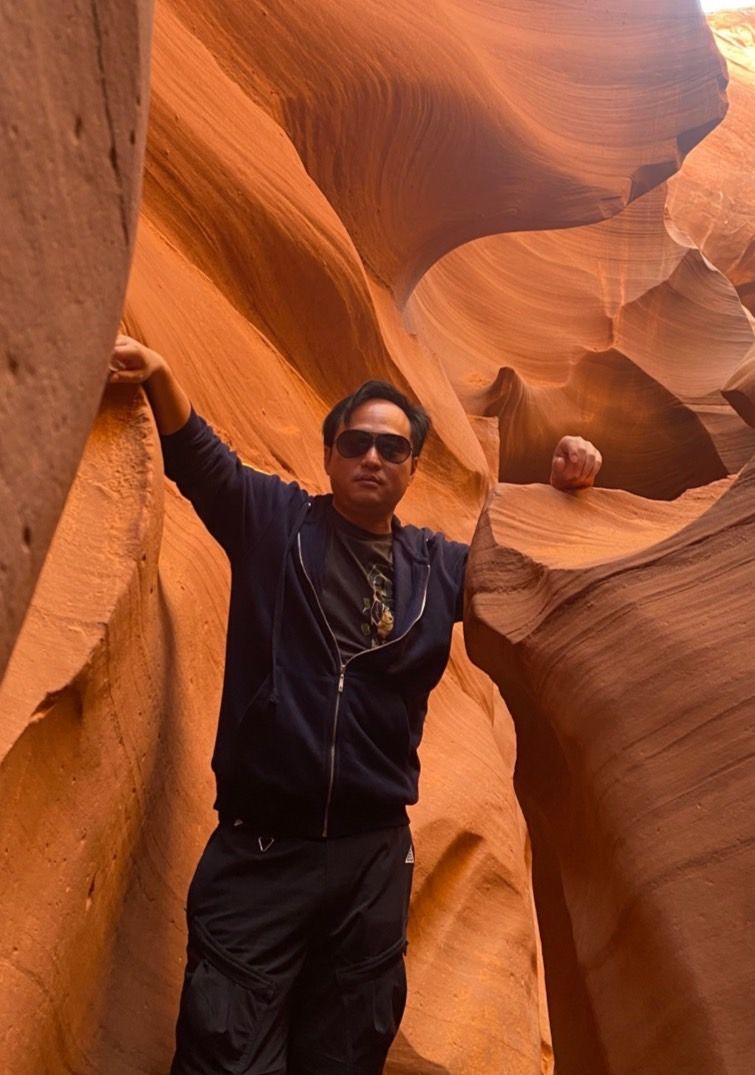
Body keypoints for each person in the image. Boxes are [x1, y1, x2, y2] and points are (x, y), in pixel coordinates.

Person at [109, 334, 602, 1075]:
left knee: (344, 1054)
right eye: (356, 442)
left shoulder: (440, 568)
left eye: (391, 447)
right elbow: (200, 460)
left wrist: (566, 486)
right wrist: (160, 370)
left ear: (412, 467)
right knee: (223, 1051)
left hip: (369, 861)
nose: (372, 456)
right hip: (260, 851)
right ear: (330, 455)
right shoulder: (274, 524)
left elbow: (528, 572)